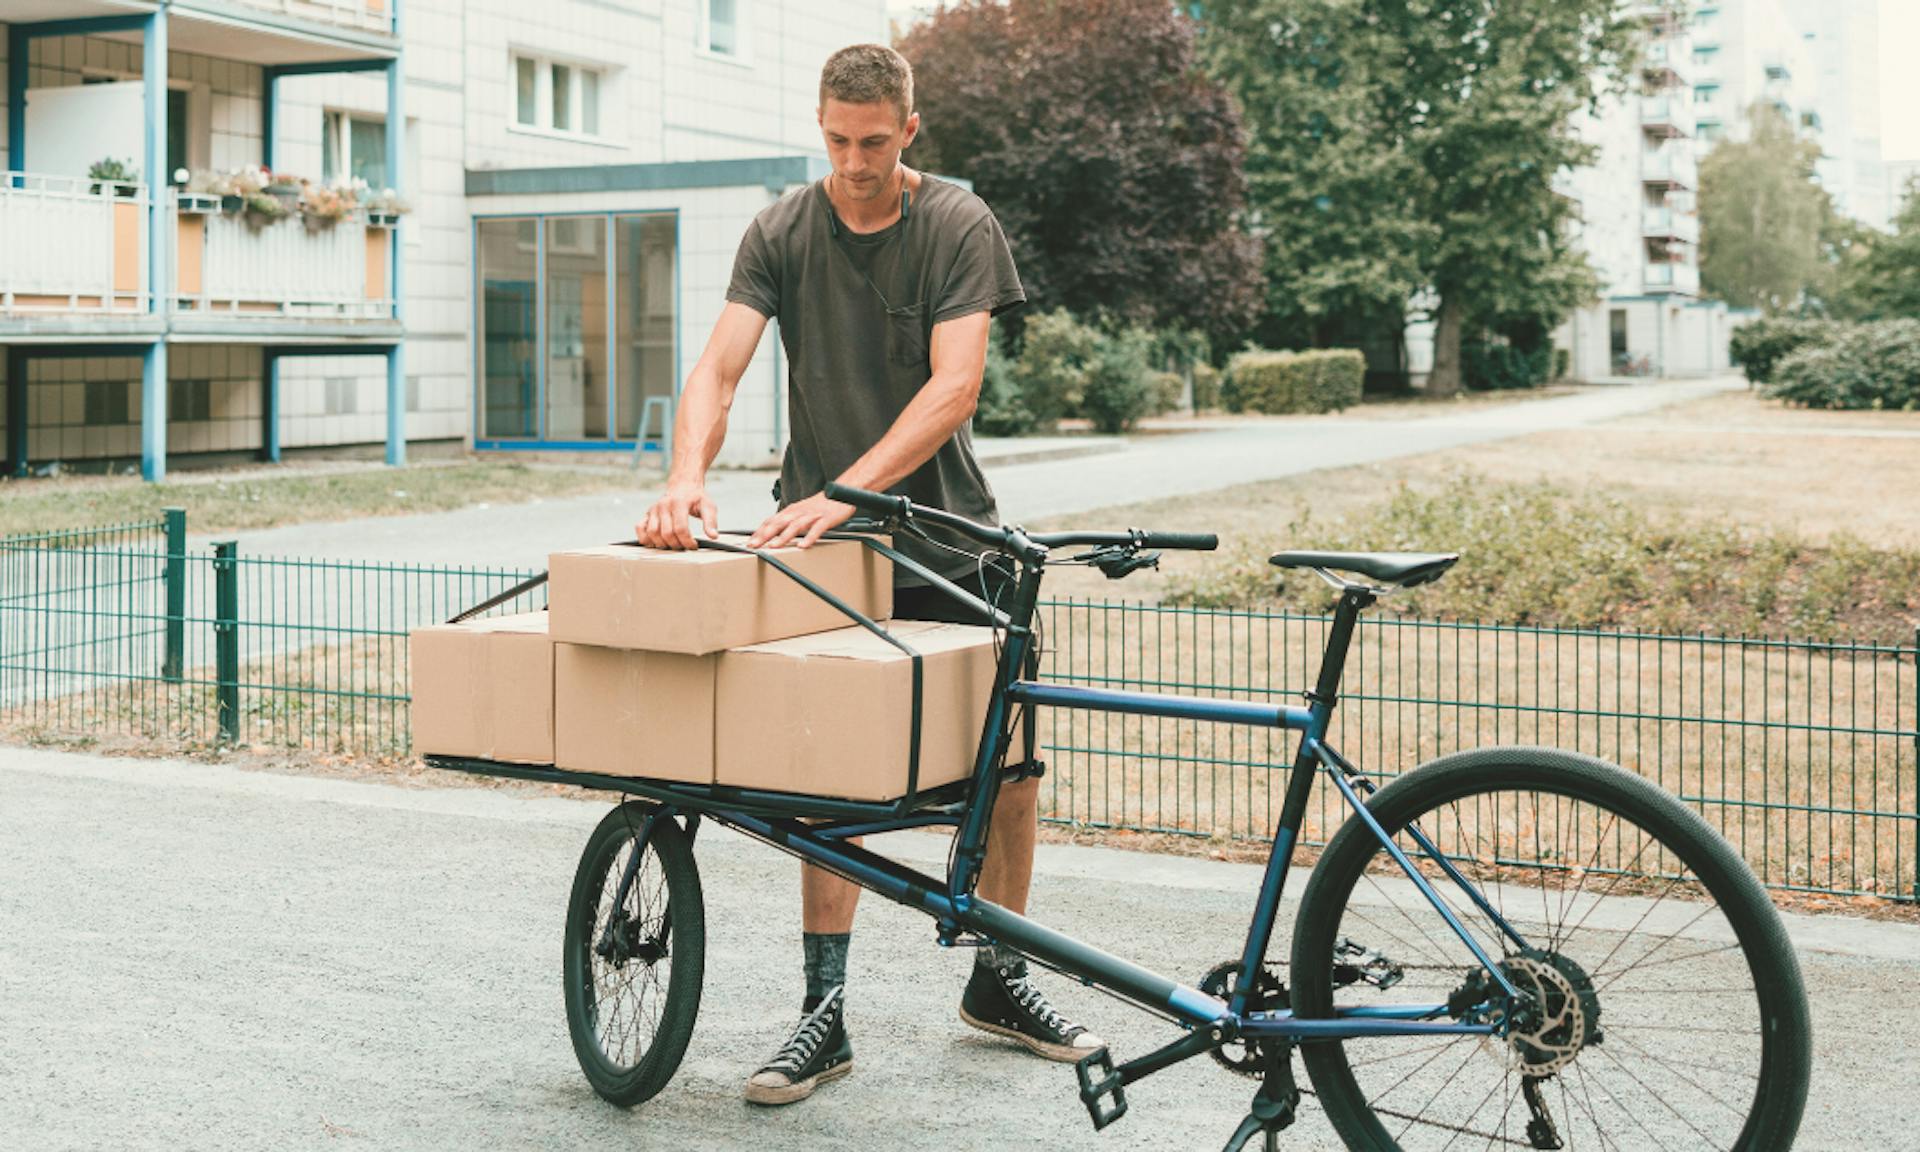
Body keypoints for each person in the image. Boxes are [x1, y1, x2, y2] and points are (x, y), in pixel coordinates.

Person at [633, 43, 1102, 1107]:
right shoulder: (782, 230)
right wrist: (687, 474)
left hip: (951, 543)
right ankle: (824, 1015)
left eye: (874, 143)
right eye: (837, 141)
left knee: (1011, 769)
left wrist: (848, 489)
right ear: (821, 128)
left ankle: (1000, 981)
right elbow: (718, 364)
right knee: (826, 771)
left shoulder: (956, 225)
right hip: (830, 553)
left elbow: (955, 387)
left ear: (909, 133)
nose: (853, 163)